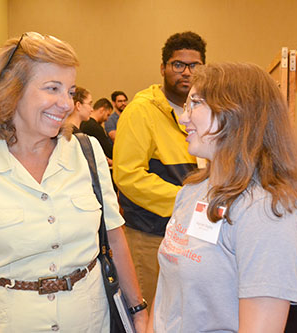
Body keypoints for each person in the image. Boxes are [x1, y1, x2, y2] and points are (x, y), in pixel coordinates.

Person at [0, 32, 147, 332]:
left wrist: (138, 310)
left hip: (88, 320)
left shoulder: (87, 153)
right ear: (11, 91)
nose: (66, 104)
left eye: (70, 91)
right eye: (52, 88)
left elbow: (114, 236)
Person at [148, 62, 297, 332]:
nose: (183, 118)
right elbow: (167, 289)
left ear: (238, 113)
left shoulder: (268, 212)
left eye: (196, 104)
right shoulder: (191, 192)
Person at [113, 31, 206, 304]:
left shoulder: (203, 110)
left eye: (194, 66)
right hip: (150, 234)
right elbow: (128, 176)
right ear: (163, 68)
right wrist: (186, 200)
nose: (186, 72)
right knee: (150, 312)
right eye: (178, 65)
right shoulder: (141, 111)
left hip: (190, 232)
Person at [80, 98, 113, 162]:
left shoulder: (83, 123)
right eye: (107, 115)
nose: (107, 119)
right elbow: (107, 149)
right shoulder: (95, 127)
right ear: (102, 110)